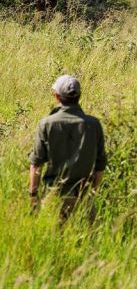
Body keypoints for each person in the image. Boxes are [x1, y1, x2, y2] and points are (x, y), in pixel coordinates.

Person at [28, 75, 106, 221]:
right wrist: (91, 192)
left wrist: (33, 196)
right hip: (83, 198)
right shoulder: (94, 124)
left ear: (57, 96)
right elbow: (100, 166)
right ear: (79, 96)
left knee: (52, 241)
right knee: (87, 241)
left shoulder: (46, 123)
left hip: (54, 197)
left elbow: (36, 165)